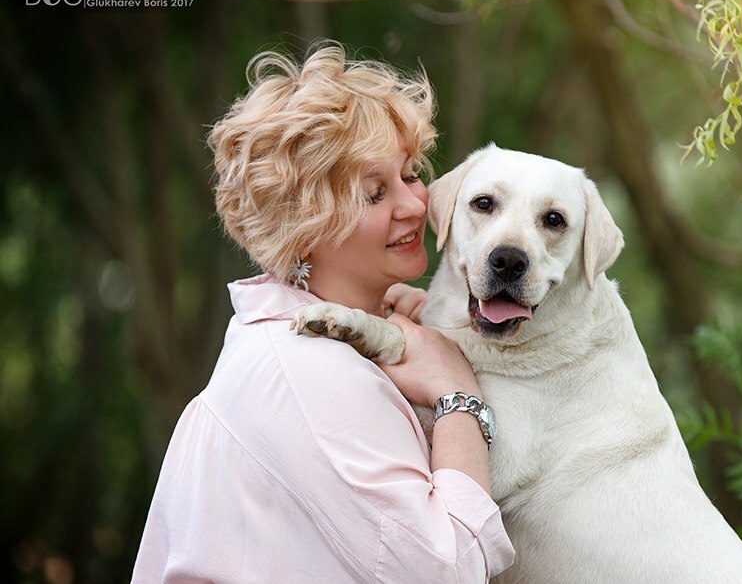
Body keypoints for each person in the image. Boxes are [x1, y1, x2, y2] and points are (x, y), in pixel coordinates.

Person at [132, 43, 514, 582]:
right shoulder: (309, 371)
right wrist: (458, 396)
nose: (413, 205)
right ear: (305, 227)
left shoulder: (300, 343)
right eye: (374, 193)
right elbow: (447, 570)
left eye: (409, 174)